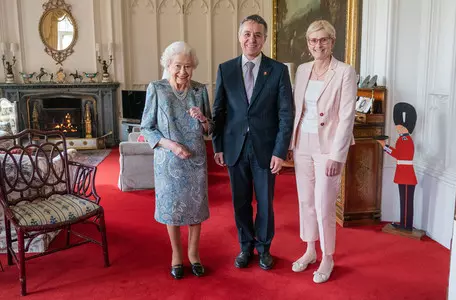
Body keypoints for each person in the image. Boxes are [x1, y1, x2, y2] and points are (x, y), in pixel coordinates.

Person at [212, 14, 294, 270]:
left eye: (258, 35)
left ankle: (264, 248)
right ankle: (245, 247)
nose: (252, 39)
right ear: (239, 37)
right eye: (247, 34)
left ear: (264, 39)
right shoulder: (226, 69)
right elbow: (219, 112)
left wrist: (280, 151)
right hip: (235, 148)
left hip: (266, 150)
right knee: (240, 201)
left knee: (266, 203)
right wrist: (218, 146)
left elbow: (285, 113)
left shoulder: (278, 70)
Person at [289, 20, 357, 283]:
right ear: (308, 44)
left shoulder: (344, 71)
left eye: (323, 40)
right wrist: (291, 144)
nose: (318, 45)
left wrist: (337, 155)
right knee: (305, 201)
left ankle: (328, 256)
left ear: (332, 41)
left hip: (328, 146)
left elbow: (346, 116)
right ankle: (309, 249)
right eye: (313, 41)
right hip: (302, 142)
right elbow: (299, 110)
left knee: (324, 204)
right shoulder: (303, 70)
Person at [140, 41, 212, 280]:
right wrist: (171, 146)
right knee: (171, 210)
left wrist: (202, 118)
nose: (183, 71)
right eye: (178, 66)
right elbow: (147, 128)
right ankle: (176, 255)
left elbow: (209, 129)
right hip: (168, 162)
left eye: (188, 66)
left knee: (195, 210)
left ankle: (194, 254)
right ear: (168, 65)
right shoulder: (157, 89)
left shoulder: (200, 90)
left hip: (195, 161)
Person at [376, 102, 418, 231]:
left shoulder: (405, 140)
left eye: (399, 127)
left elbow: (398, 155)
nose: (397, 129)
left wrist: (385, 146)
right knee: (404, 200)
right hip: (404, 173)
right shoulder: (403, 139)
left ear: (406, 128)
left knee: (406, 201)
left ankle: (406, 225)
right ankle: (404, 223)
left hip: (406, 174)